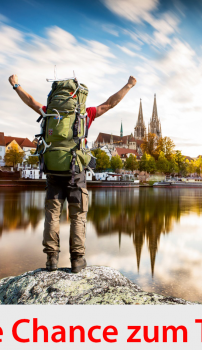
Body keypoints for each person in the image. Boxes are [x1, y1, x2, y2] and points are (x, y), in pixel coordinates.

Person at [8, 74, 137, 273]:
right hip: (75, 172)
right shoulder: (85, 114)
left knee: (52, 212)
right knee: (77, 215)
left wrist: (16, 85)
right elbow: (110, 103)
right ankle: (77, 260)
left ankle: (51, 259)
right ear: (77, 97)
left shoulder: (50, 112)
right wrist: (128, 85)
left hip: (53, 170)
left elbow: (31, 102)